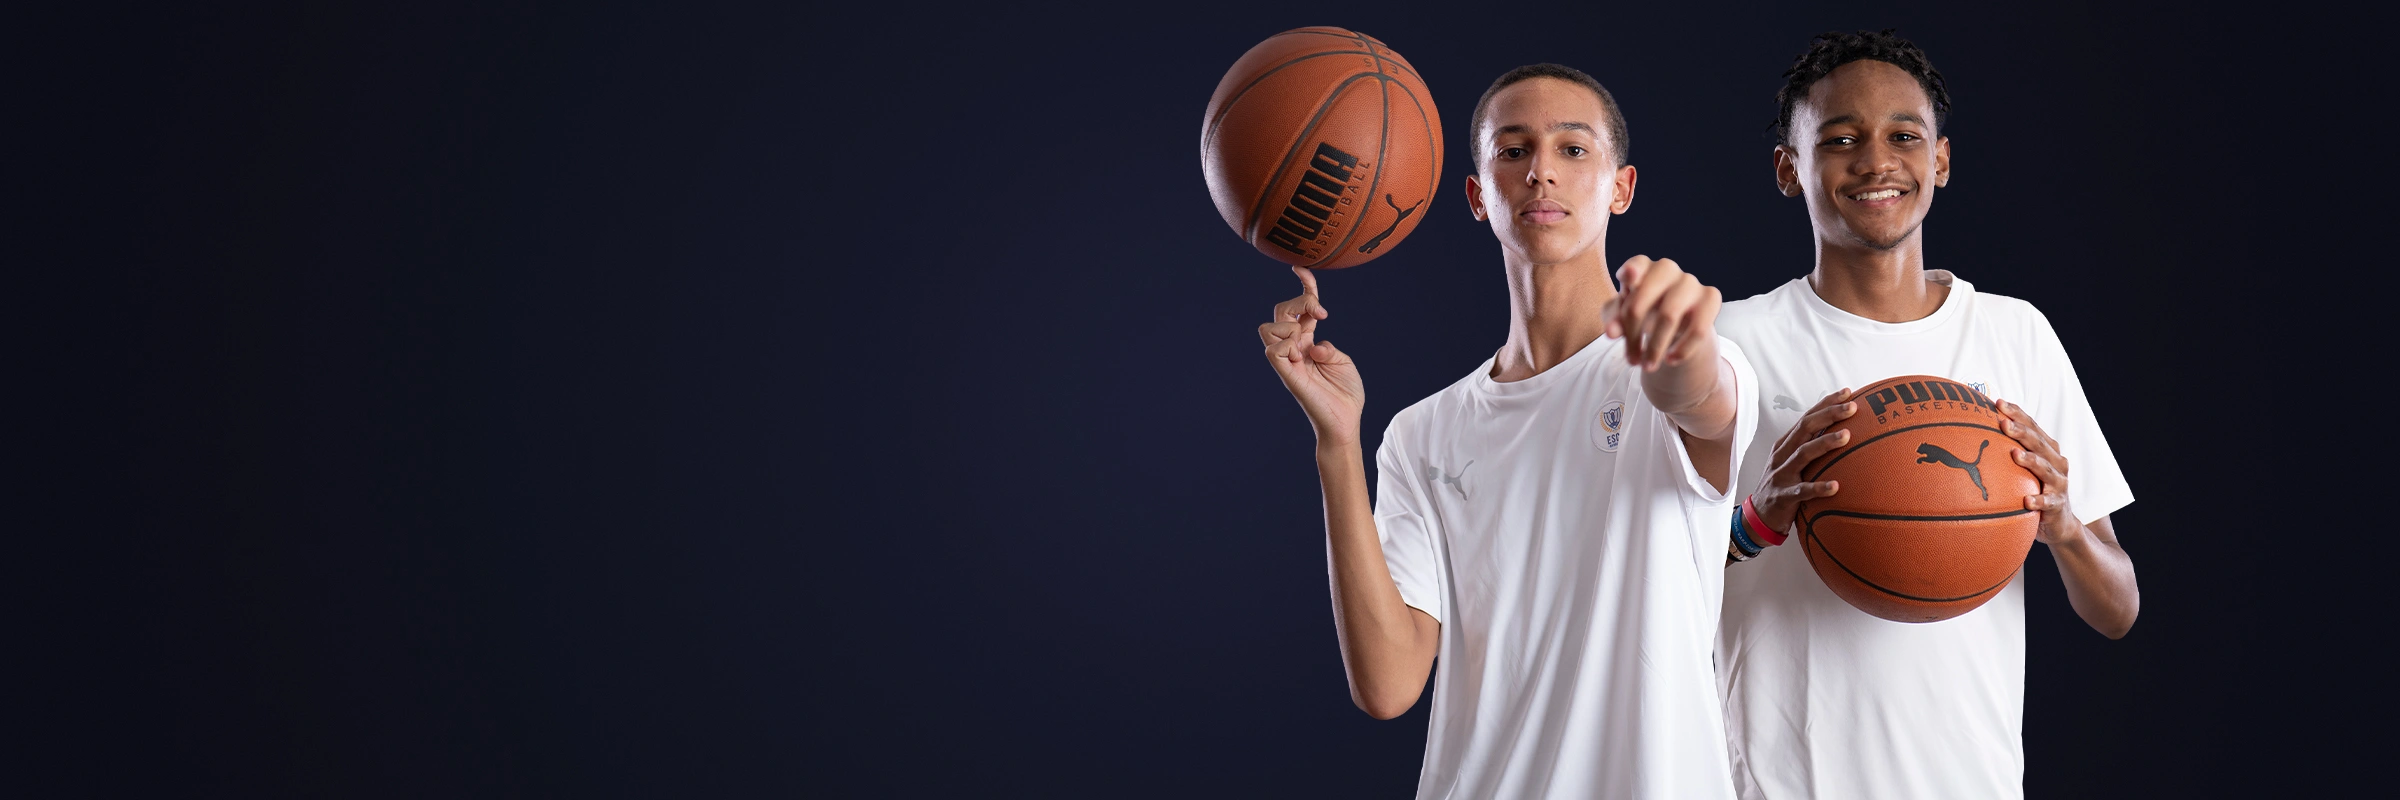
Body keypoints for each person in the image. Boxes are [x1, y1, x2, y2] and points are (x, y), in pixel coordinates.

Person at [1257, 63, 1758, 798]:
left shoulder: (1675, 365)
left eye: (1573, 150)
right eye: (1514, 151)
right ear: (1477, 195)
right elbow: (1389, 684)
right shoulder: (1420, 433)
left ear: (1621, 188)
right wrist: (1338, 445)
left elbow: (1701, 401)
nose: (1541, 174)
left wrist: (1682, 353)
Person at [1714, 30, 2141, 800]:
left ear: (1940, 161)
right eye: (1841, 139)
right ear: (1790, 169)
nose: (1876, 160)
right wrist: (1757, 520)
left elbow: (2118, 608)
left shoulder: (2016, 334)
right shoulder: (1730, 341)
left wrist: (2067, 529)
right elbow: (1640, 588)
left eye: (1903, 136)